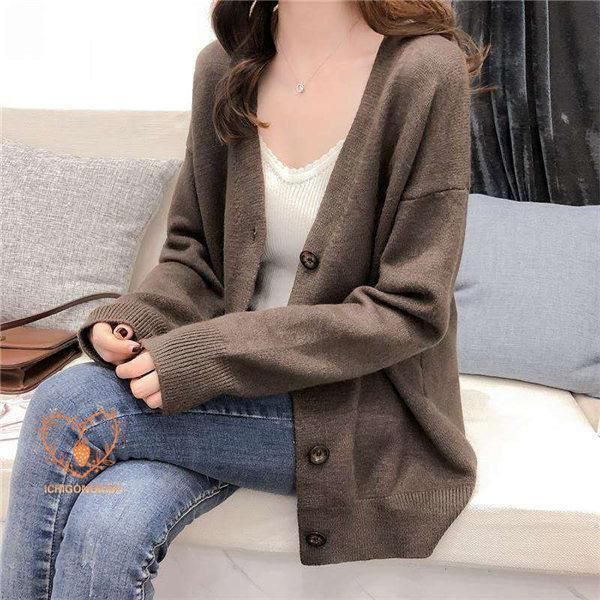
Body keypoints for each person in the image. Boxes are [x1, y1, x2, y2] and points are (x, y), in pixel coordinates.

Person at [0, 1, 489, 598]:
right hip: (231, 391)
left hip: (356, 405)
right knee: (112, 523)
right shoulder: (226, 67)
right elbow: (195, 256)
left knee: (69, 405)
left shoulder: (422, 71)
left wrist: (207, 355)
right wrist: (132, 320)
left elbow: (409, 308)